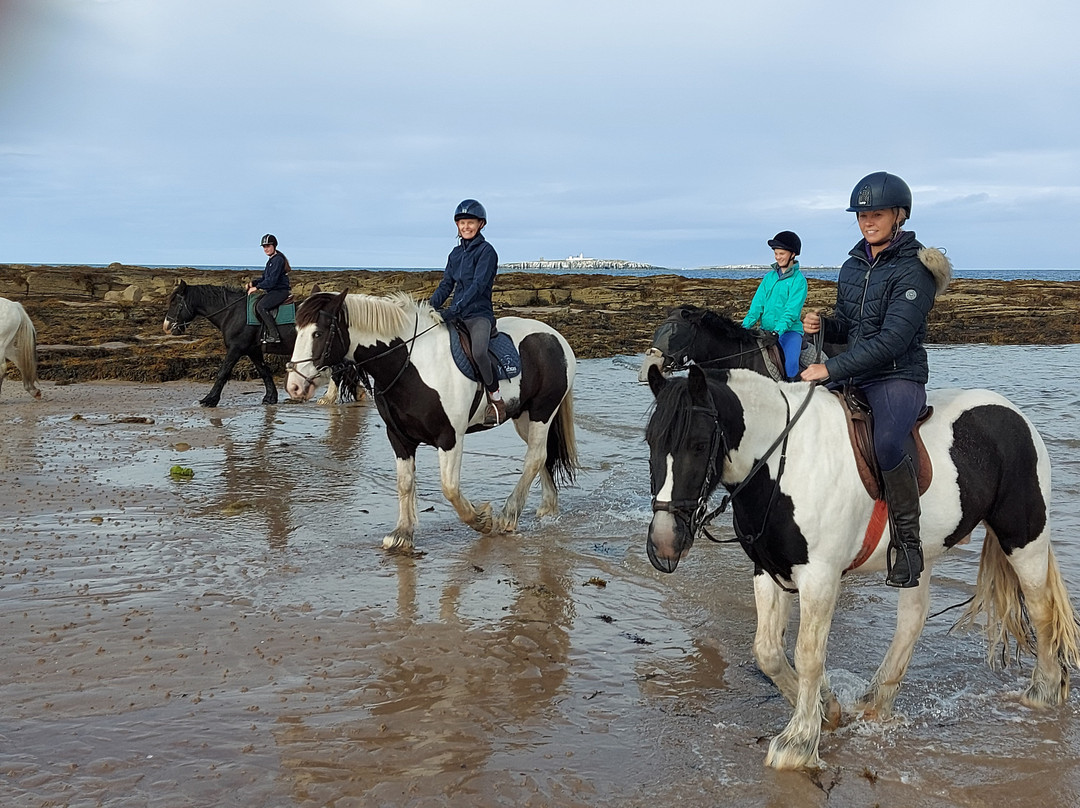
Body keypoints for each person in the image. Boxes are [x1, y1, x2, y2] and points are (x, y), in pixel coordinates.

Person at [801, 171, 951, 588]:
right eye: (862, 214)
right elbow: (851, 325)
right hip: (855, 371)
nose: (868, 221)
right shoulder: (851, 266)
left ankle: (907, 544)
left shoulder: (915, 269)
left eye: (877, 214)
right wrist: (822, 326)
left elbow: (892, 340)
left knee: (886, 442)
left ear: (899, 215)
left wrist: (830, 368)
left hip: (896, 375)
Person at [429, 199, 505, 425]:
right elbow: (446, 285)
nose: (466, 227)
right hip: (458, 313)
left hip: (479, 315)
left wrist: (454, 310)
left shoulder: (487, 252)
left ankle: (496, 398)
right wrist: (429, 307)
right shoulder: (454, 254)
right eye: (462, 223)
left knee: (479, 352)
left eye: (470, 223)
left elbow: (478, 286)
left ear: (481, 224)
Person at [741, 230, 808, 380]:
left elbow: (791, 312)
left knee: (791, 366)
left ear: (793, 254)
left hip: (789, 332)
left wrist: (777, 332)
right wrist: (743, 328)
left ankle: (793, 393)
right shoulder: (769, 277)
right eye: (776, 254)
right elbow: (757, 306)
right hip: (765, 330)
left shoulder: (799, 281)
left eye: (781, 254)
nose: (778, 257)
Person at [248, 234, 291, 344]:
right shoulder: (271, 260)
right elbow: (265, 278)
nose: (266, 249)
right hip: (274, 291)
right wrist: (253, 283)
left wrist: (256, 288)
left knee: (261, 306)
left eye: (268, 246)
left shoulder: (278, 260)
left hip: (280, 291)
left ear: (274, 246)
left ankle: (274, 335)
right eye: (264, 246)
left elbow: (271, 281)